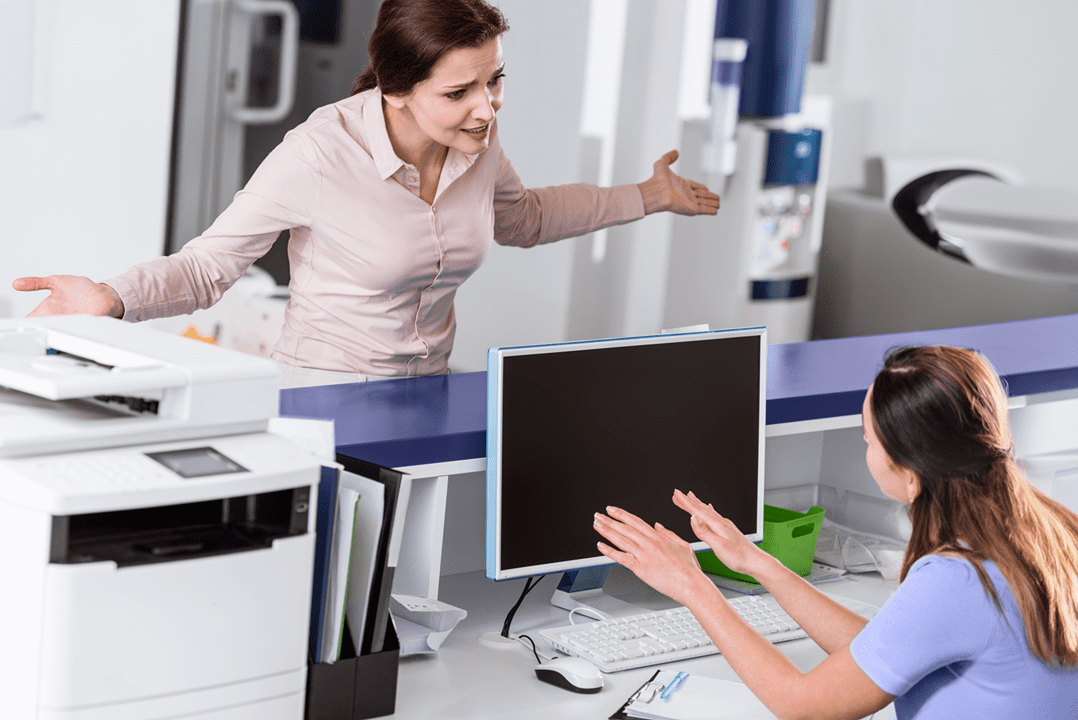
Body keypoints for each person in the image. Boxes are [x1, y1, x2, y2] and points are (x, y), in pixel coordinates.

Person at [11, 0, 720, 388]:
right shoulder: (319, 155)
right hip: (326, 393)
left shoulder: (475, 141)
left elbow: (524, 217)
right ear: (398, 92)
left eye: (495, 80)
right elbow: (206, 269)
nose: (488, 107)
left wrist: (647, 195)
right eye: (460, 91)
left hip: (430, 388)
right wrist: (111, 296)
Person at [593, 345, 1078, 719]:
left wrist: (693, 586)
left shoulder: (958, 577)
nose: (865, 447)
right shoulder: (1052, 527)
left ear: (910, 470)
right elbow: (885, 647)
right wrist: (757, 563)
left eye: (868, 439)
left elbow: (802, 706)